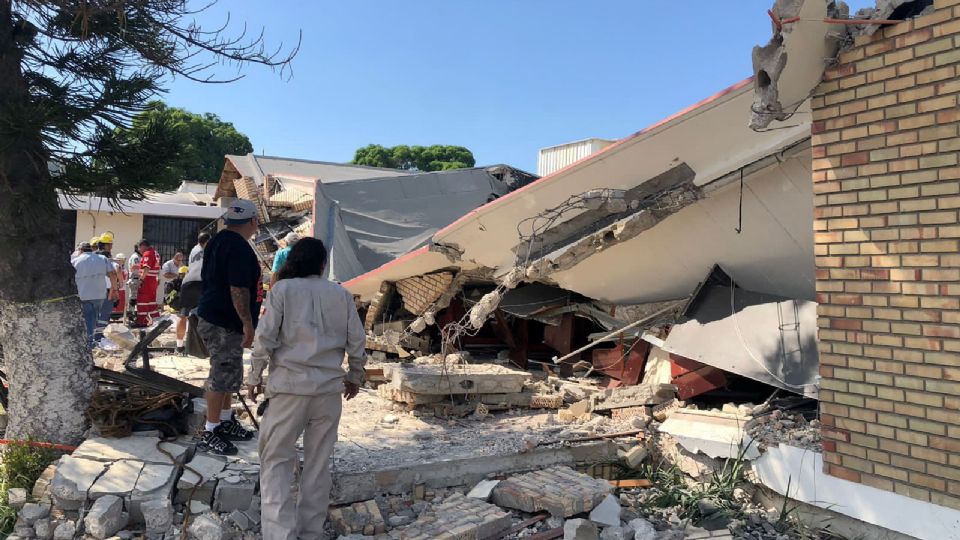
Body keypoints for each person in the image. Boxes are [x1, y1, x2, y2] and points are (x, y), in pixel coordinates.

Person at [248, 237, 365, 540]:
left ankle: (280, 534)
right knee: (318, 463)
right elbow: (357, 341)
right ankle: (311, 532)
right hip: (327, 392)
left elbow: (265, 338)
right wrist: (354, 375)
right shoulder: (341, 294)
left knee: (276, 461)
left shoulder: (282, 290)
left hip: (289, 389)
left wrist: (254, 376)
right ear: (323, 264)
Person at [196, 200, 261, 455]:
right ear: (253, 221)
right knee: (221, 373)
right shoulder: (238, 248)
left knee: (229, 372)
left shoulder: (218, 240)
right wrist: (247, 323)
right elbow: (238, 289)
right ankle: (211, 430)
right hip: (224, 319)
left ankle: (224, 420)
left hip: (215, 315)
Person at [72, 243, 118, 348]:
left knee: (87, 318)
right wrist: (114, 289)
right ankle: (90, 340)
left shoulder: (75, 261)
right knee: (94, 318)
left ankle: (88, 342)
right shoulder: (102, 258)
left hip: (83, 294)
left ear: (80, 250)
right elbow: (112, 274)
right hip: (99, 295)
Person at [177, 233, 211, 354]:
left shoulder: (193, 250)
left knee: (183, 315)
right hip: (201, 283)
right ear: (206, 242)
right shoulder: (208, 252)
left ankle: (179, 346)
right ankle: (205, 347)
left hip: (187, 283)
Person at [94, 232, 121, 342]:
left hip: (92, 291)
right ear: (105, 245)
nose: (111, 247)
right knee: (104, 314)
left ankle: (93, 336)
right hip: (105, 291)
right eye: (110, 244)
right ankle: (99, 337)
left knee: (94, 314)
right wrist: (114, 291)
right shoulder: (106, 259)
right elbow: (112, 275)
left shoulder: (93, 257)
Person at [134, 239, 161, 327]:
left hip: (147, 281)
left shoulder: (147, 253)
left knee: (142, 301)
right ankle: (156, 320)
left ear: (143, 246)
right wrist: (138, 266)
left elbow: (147, 268)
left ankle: (142, 321)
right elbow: (152, 266)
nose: (139, 250)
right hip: (153, 281)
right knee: (151, 301)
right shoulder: (155, 252)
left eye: (139, 248)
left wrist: (141, 280)